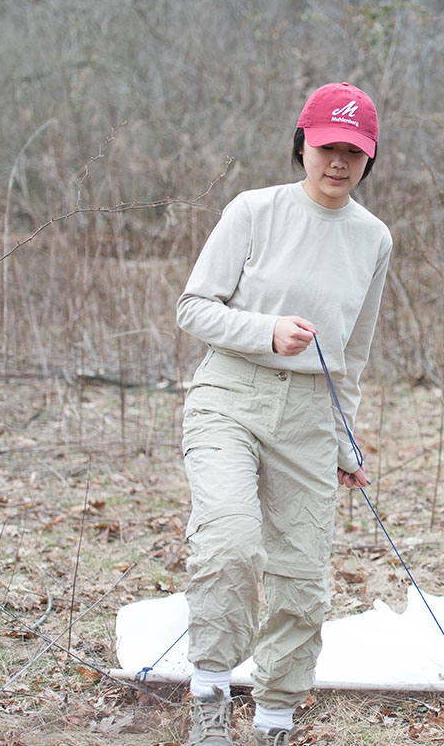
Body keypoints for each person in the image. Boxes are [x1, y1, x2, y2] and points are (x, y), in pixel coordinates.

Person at [175, 82, 392, 746]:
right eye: (326, 148)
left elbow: (352, 354)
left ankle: (275, 717)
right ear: (302, 144)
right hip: (230, 397)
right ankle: (210, 693)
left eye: (353, 153)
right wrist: (264, 332)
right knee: (230, 540)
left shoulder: (374, 238)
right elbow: (195, 308)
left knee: (301, 574)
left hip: (308, 416)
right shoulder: (253, 211)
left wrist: (343, 442)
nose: (337, 163)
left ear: (369, 159)